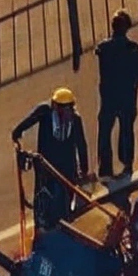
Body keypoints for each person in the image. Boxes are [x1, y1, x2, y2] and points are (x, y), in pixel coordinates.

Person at [12, 87, 93, 228]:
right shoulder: (45, 112)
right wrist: (17, 133)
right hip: (45, 164)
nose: (66, 111)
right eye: (63, 107)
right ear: (55, 105)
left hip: (66, 167)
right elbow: (28, 121)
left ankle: (64, 225)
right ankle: (41, 223)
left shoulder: (75, 120)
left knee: (66, 198)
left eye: (69, 107)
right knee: (43, 195)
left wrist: (84, 169)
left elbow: (81, 144)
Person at [94, 9, 138, 179]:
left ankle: (105, 168)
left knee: (105, 131)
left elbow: (100, 53)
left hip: (109, 98)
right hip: (127, 98)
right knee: (126, 131)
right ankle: (127, 163)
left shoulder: (103, 48)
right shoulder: (133, 48)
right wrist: (132, 90)